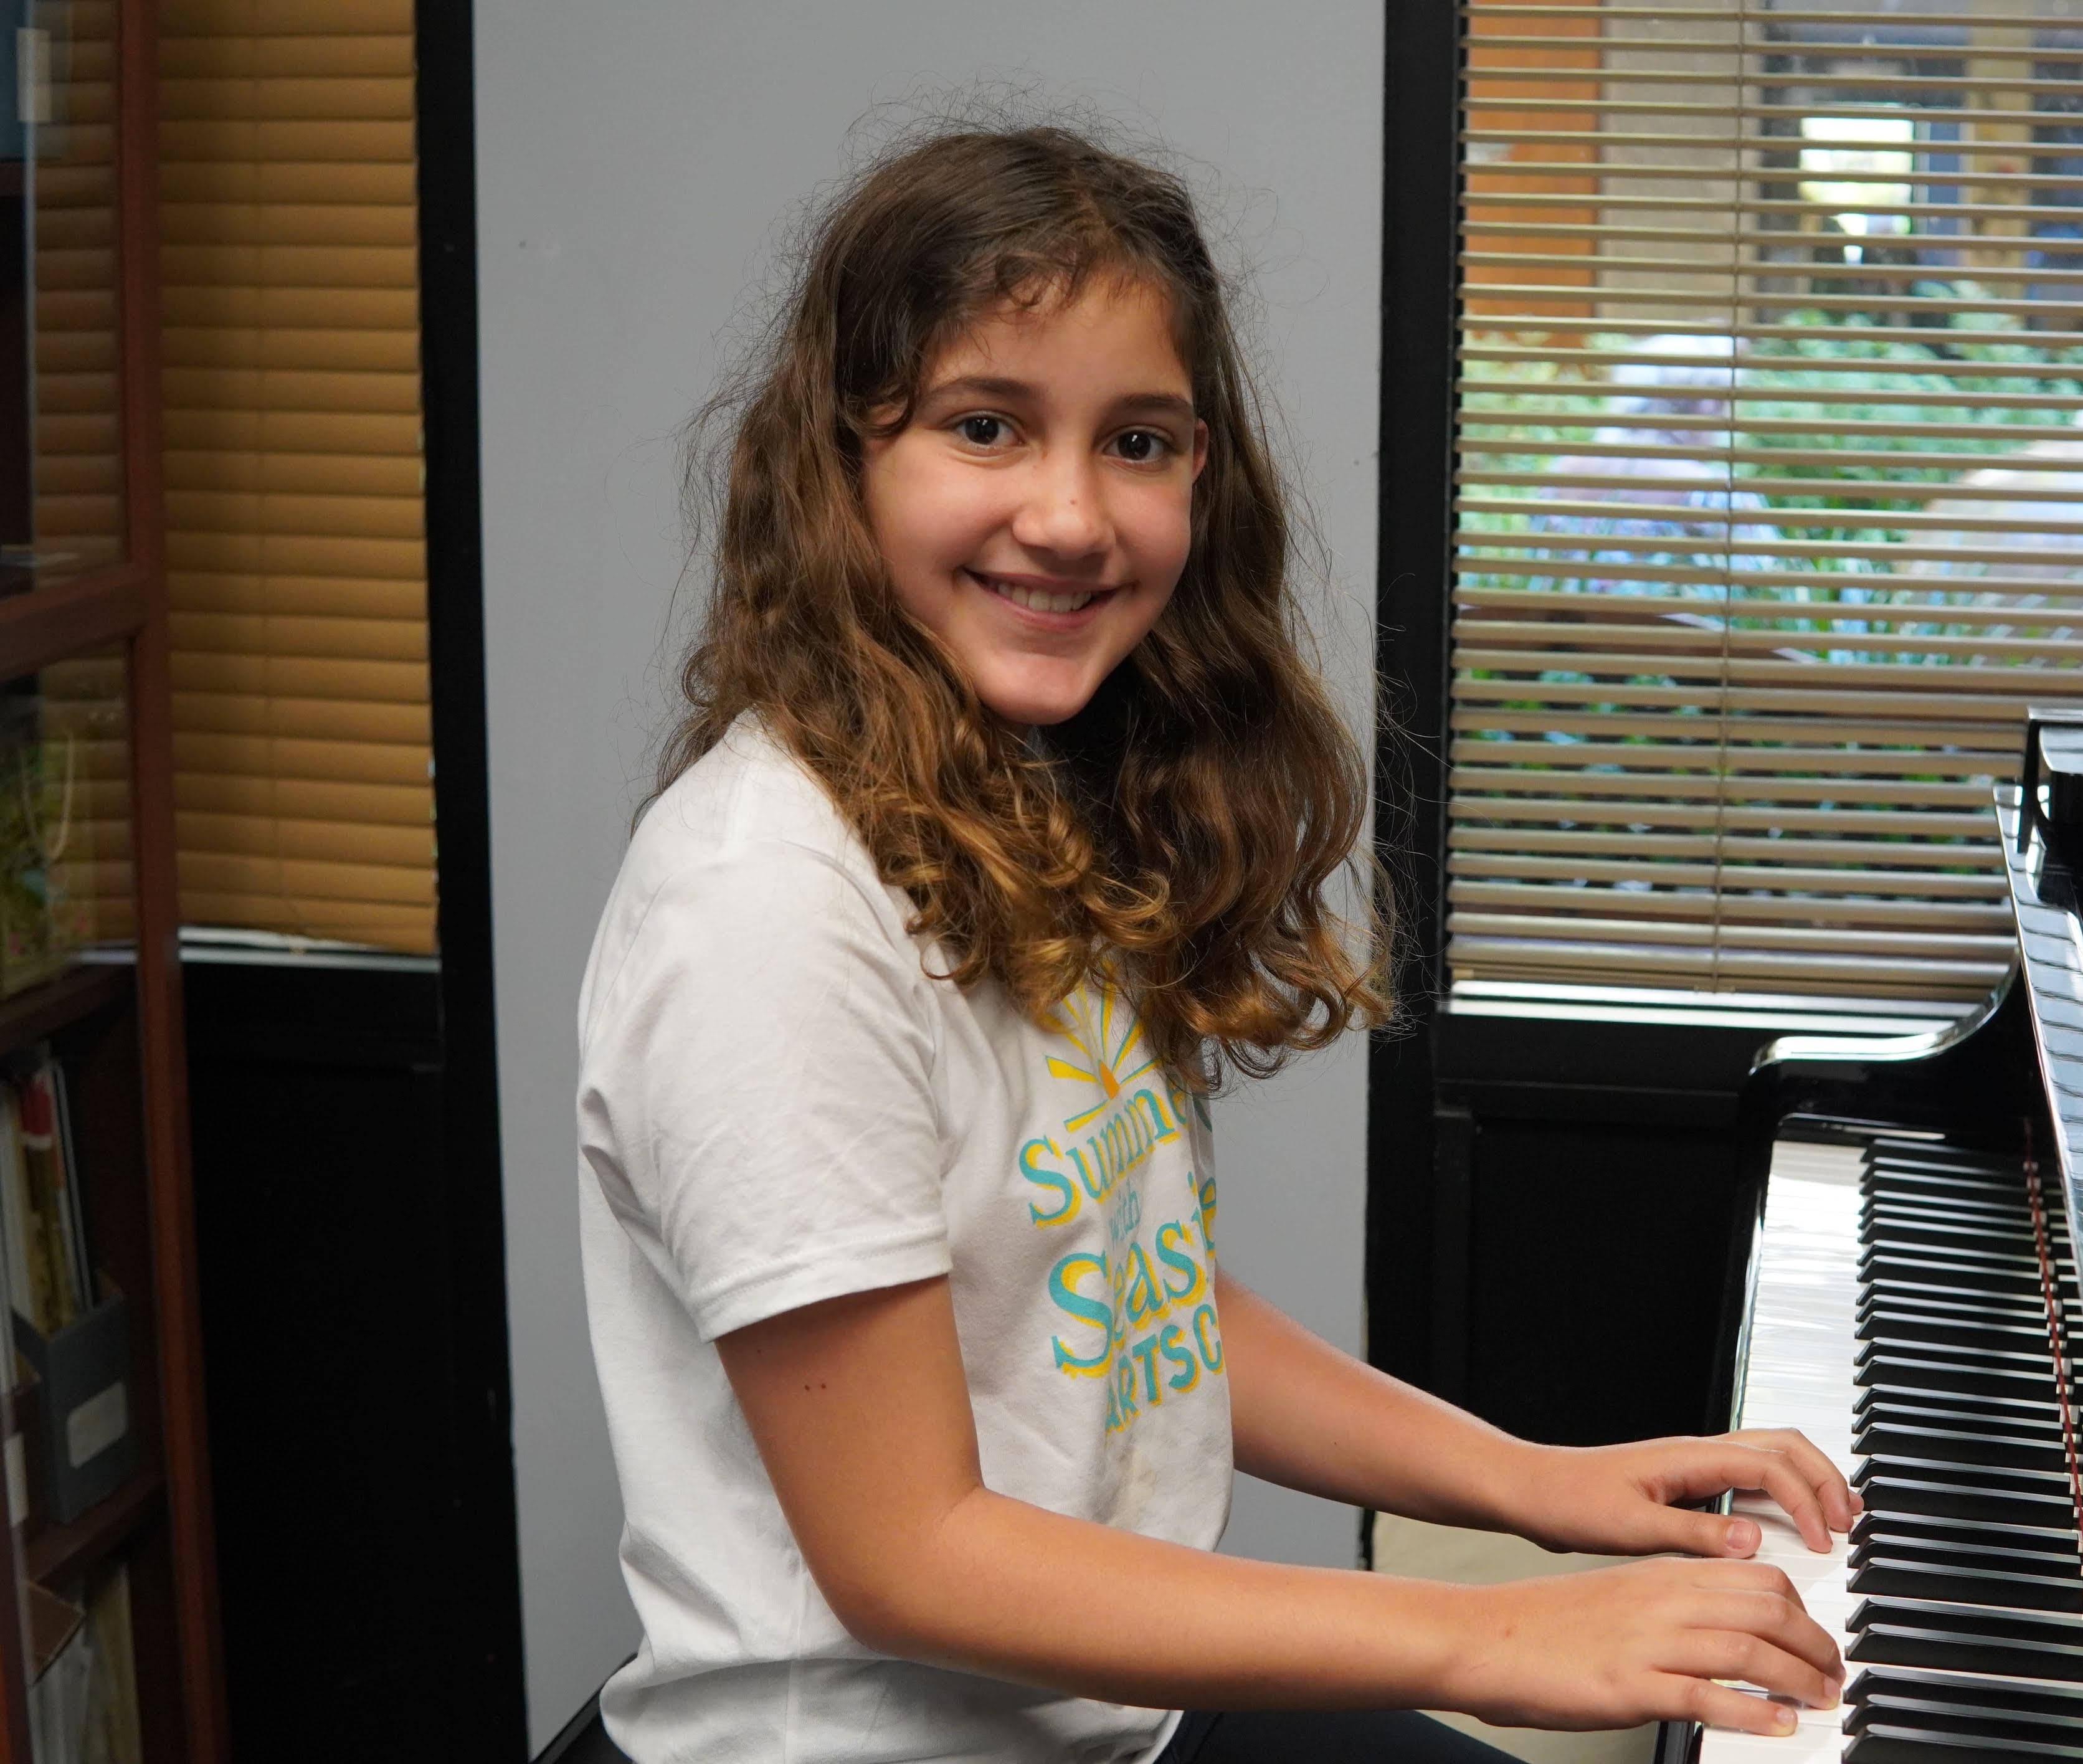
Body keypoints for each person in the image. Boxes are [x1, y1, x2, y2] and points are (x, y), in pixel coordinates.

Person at [575, 124, 1856, 1764]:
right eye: (986, 425)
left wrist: (1532, 1484)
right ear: (843, 463)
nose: (1070, 514)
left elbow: (1134, 1301)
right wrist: (1495, 1634)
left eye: (1141, 443)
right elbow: (910, 1558)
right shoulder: (764, 905)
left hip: (1114, 1728)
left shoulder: (1020, 801)